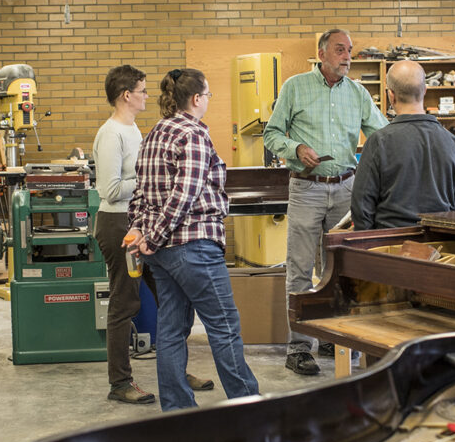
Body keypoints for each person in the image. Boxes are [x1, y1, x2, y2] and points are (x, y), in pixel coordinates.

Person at [125, 68, 260, 411]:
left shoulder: (153, 134)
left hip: (164, 254)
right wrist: (151, 237)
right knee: (224, 325)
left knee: (171, 329)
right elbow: (184, 195)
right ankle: (249, 406)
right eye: (208, 95)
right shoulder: (193, 135)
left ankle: (177, 411)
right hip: (193, 248)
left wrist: (142, 231)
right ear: (197, 99)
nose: (208, 101)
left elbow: (140, 195)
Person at [264, 29, 389, 375]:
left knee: (341, 268)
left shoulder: (359, 93)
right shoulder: (294, 87)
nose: (347, 56)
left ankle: (334, 336)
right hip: (306, 188)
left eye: (349, 50)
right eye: (339, 50)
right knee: (301, 268)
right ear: (321, 54)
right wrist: (296, 149)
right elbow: (271, 133)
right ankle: (299, 347)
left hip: (347, 190)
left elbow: (382, 135)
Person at [91, 64, 156, 405]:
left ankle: (175, 369)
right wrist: (150, 180)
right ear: (126, 95)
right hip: (118, 226)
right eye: (143, 91)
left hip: (138, 224)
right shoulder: (112, 133)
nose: (148, 96)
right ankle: (120, 383)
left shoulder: (134, 129)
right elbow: (110, 188)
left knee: (167, 296)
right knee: (124, 303)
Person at [350, 60, 455, 229]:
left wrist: (367, 244)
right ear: (424, 90)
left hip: (389, 245)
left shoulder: (379, 142)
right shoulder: (453, 143)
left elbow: (362, 205)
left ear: (390, 95)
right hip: (440, 245)